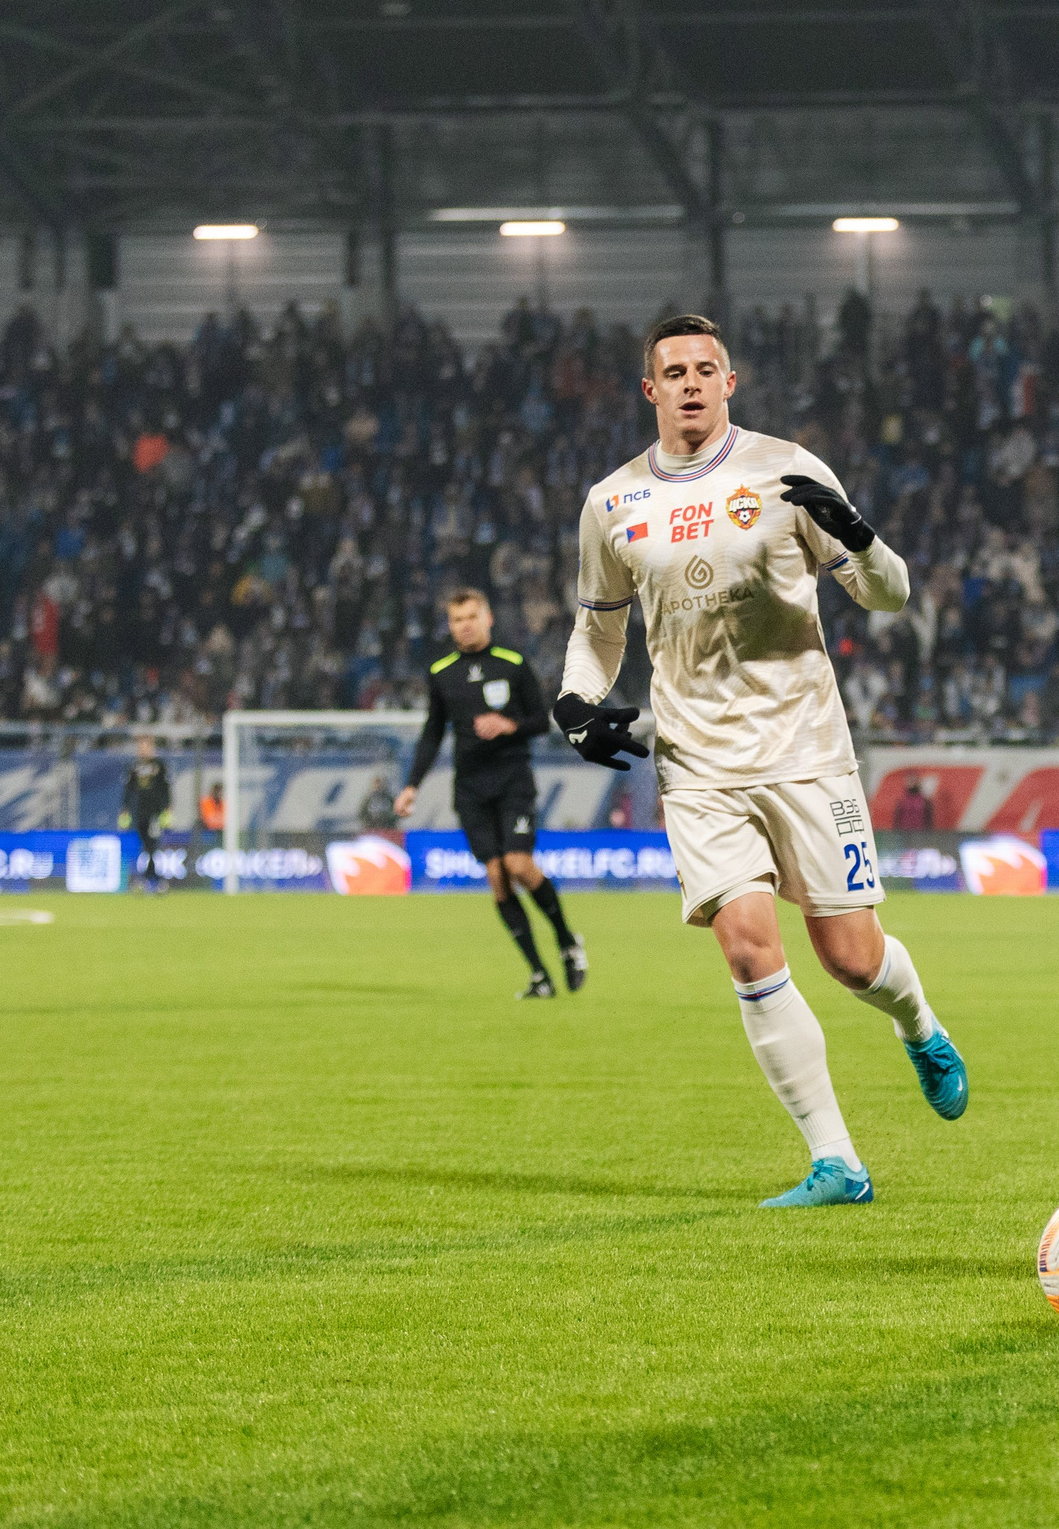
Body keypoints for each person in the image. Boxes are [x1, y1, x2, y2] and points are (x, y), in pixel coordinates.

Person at [556, 312, 965, 1210]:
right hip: (696, 761)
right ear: (650, 389)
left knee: (851, 959)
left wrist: (862, 538)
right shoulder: (612, 501)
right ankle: (837, 1162)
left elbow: (890, 597)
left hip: (805, 749)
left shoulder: (788, 470)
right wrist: (576, 699)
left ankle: (918, 1022)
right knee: (747, 949)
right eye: (674, 371)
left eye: (706, 369)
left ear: (729, 383)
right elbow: (599, 627)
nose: (691, 383)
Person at [396, 588, 586, 998]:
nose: (464, 626)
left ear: (488, 619)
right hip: (470, 789)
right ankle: (539, 975)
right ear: (450, 626)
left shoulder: (512, 663)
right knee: (497, 878)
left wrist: (508, 726)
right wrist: (412, 785)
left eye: (471, 617)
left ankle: (567, 940)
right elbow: (432, 732)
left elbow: (541, 720)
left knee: (518, 864)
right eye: (457, 620)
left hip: (512, 779)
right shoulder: (442, 672)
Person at [119, 734, 172, 894]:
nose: (143, 750)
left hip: (155, 811)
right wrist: (125, 809)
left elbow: (165, 787)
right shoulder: (133, 766)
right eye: (141, 747)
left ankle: (150, 880)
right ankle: (153, 879)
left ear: (152, 748)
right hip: (139, 811)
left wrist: (167, 808)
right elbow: (129, 789)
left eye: (146, 746)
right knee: (146, 845)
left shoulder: (159, 765)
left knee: (152, 845)